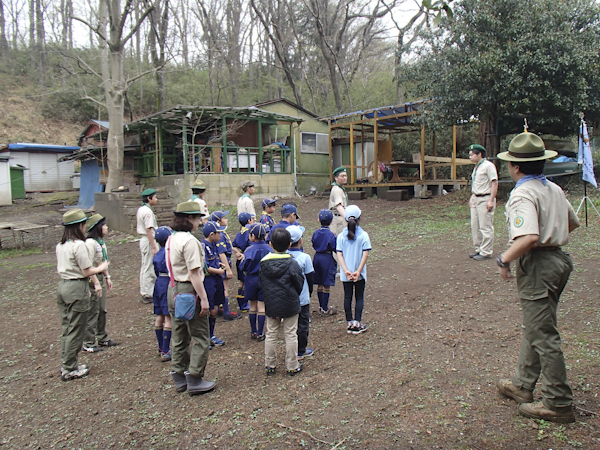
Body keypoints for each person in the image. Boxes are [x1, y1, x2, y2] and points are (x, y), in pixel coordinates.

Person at [495, 132, 579, 424]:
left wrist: (505, 258)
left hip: (540, 264)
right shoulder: (553, 189)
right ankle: (522, 384)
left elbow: (528, 236)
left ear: (516, 167)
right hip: (559, 260)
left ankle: (558, 401)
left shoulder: (522, 193)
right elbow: (572, 222)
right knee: (538, 323)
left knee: (543, 333)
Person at [166, 201, 215, 395]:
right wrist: (203, 298)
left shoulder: (171, 238)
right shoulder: (190, 241)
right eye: (197, 218)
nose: (199, 222)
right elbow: (194, 273)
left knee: (179, 335)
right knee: (201, 335)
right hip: (188, 290)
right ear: (189, 219)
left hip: (174, 289)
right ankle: (195, 377)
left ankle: (179, 376)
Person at [56, 209, 109, 381]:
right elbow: (87, 270)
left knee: (67, 328)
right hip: (75, 288)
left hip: (62, 286)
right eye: (83, 224)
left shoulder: (61, 245)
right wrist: (102, 268)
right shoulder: (79, 246)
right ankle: (69, 368)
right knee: (77, 329)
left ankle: (67, 363)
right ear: (79, 226)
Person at [260, 227, 305, 376]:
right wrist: (294, 295)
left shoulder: (263, 263)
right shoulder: (292, 263)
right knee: (291, 333)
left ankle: (269, 364)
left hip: (272, 304)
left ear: (271, 244)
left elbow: (262, 283)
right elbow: (299, 282)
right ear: (289, 245)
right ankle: (292, 365)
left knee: (271, 333)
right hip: (290, 303)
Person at [82, 214, 116, 353]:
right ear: (98, 227)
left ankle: (102, 337)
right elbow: (88, 266)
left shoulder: (100, 242)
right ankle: (88, 342)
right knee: (93, 310)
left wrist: (107, 277)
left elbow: (103, 262)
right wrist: (95, 282)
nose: (107, 227)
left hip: (100, 278)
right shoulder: (90, 243)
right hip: (92, 280)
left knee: (102, 309)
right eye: (104, 225)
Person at [336, 205, 371, 335]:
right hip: (359, 274)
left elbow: (339, 254)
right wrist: (358, 271)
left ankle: (349, 323)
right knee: (359, 297)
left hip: (346, 275)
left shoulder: (340, 236)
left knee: (347, 297)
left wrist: (345, 270)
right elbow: (365, 254)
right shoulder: (364, 235)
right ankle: (357, 323)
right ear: (359, 218)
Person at [287, 225, 315, 360]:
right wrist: (309, 292)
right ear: (301, 241)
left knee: (290, 327)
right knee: (303, 325)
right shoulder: (305, 258)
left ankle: (291, 351)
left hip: (287, 298)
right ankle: (301, 350)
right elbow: (310, 278)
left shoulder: (283, 257)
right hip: (302, 298)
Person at [240, 223, 272, 339]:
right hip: (265, 279)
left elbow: (243, 266)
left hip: (251, 280)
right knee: (262, 307)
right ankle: (260, 333)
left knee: (252, 306)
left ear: (253, 236)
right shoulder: (269, 249)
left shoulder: (249, 250)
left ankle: (253, 331)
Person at [209, 210, 242, 321]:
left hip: (220, 263)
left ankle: (218, 309)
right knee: (225, 288)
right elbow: (221, 253)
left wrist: (235, 251)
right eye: (224, 218)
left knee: (220, 287)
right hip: (222, 264)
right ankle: (227, 313)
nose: (226, 220)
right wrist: (227, 269)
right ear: (219, 221)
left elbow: (228, 245)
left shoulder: (220, 233)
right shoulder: (220, 235)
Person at [468, 144, 498, 261]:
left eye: (472, 155)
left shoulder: (488, 166)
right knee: (475, 226)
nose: (470, 157)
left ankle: (486, 252)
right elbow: (476, 184)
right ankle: (479, 249)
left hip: (485, 198)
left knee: (485, 226)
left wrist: (491, 200)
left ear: (479, 154)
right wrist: (472, 196)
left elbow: (494, 183)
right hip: (476, 198)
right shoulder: (476, 167)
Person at [201, 221, 228, 348]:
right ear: (212, 234)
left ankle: (211, 335)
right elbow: (204, 267)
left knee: (216, 309)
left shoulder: (214, 245)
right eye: (219, 233)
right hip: (209, 281)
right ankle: (205, 337)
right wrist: (218, 271)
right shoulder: (202, 247)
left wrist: (220, 266)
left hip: (217, 280)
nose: (221, 235)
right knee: (209, 309)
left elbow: (215, 260)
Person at [311, 210, 338, 316]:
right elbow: (334, 247)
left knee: (320, 283)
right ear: (331, 221)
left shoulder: (316, 233)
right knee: (326, 284)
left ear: (319, 220)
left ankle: (321, 306)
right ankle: (325, 308)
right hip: (327, 258)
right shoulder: (331, 235)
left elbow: (313, 243)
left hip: (317, 257)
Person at [152, 226, 173, 362]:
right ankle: (165, 350)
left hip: (158, 282)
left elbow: (155, 270)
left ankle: (161, 346)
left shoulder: (157, 254)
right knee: (168, 318)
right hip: (166, 283)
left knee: (159, 315)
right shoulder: (169, 253)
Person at [137, 188, 159, 303]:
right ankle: (147, 293)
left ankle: (146, 290)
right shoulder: (147, 212)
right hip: (148, 239)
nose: (156, 199)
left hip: (145, 240)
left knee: (146, 265)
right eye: (155, 197)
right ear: (149, 198)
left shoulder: (142, 209)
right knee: (148, 266)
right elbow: (149, 230)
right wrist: (154, 247)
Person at [232, 212, 255, 312]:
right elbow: (251, 244)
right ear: (249, 221)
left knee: (241, 281)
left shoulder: (240, 232)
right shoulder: (249, 231)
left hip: (240, 259)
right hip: (246, 259)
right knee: (246, 281)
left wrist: (238, 252)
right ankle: (245, 304)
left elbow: (233, 245)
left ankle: (241, 304)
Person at [329, 166, 349, 236]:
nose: (344, 178)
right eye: (342, 176)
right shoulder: (337, 189)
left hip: (340, 218)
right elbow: (339, 206)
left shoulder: (340, 189)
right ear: (336, 178)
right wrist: (347, 219)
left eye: (345, 176)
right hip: (338, 219)